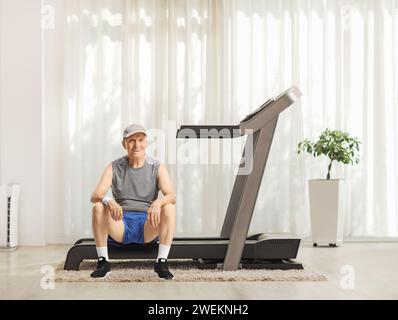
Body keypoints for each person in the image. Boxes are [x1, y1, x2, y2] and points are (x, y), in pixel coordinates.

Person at [89, 124, 176, 279]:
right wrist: (109, 201)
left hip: (148, 225)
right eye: (131, 141)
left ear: (146, 143)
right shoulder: (114, 166)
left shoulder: (156, 166)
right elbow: (96, 195)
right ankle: (103, 262)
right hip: (120, 223)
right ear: (124, 144)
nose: (137, 145)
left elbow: (171, 196)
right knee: (98, 207)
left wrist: (158, 203)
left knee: (169, 208)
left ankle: (161, 262)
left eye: (141, 140)